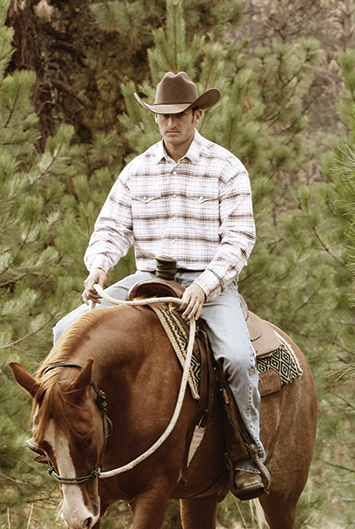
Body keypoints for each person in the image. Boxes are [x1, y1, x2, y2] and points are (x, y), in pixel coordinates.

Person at [52, 71, 268, 497]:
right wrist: (98, 267)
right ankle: (73, 438)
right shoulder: (138, 171)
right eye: (163, 115)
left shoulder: (226, 168)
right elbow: (111, 228)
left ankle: (248, 453)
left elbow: (240, 237)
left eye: (181, 114)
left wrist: (205, 286)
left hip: (208, 284)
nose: (171, 123)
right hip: (146, 279)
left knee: (238, 358)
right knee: (63, 331)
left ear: (198, 114)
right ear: (155, 118)